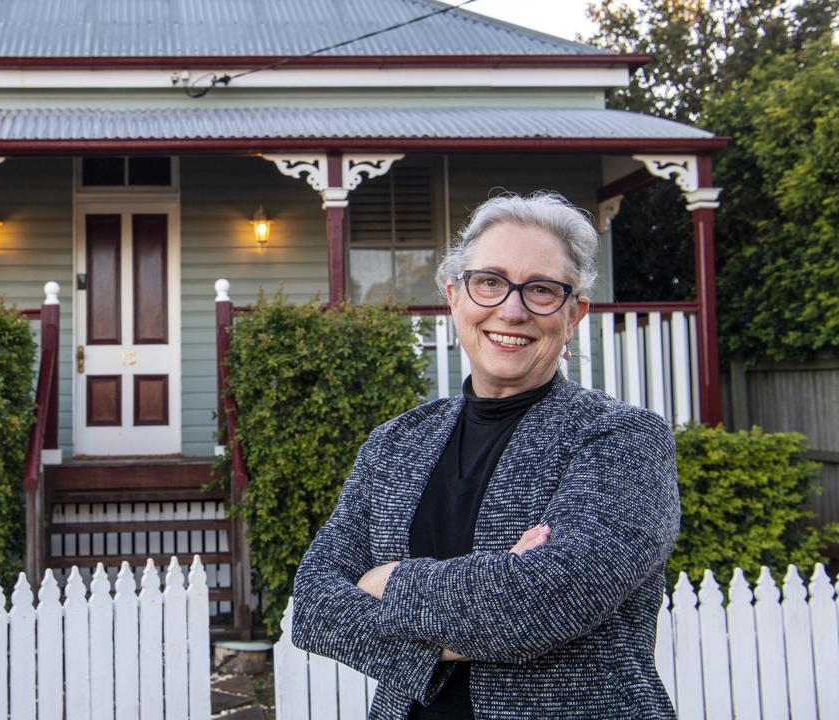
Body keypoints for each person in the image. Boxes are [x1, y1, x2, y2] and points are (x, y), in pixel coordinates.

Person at [291, 192, 681, 719]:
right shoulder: (395, 444)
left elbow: (545, 601)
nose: (512, 309)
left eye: (541, 290)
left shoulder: (622, 439)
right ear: (454, 296)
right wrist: (498, 583)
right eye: (490, 282)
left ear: (573, 315)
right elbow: (315, 605)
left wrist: (382, 582)